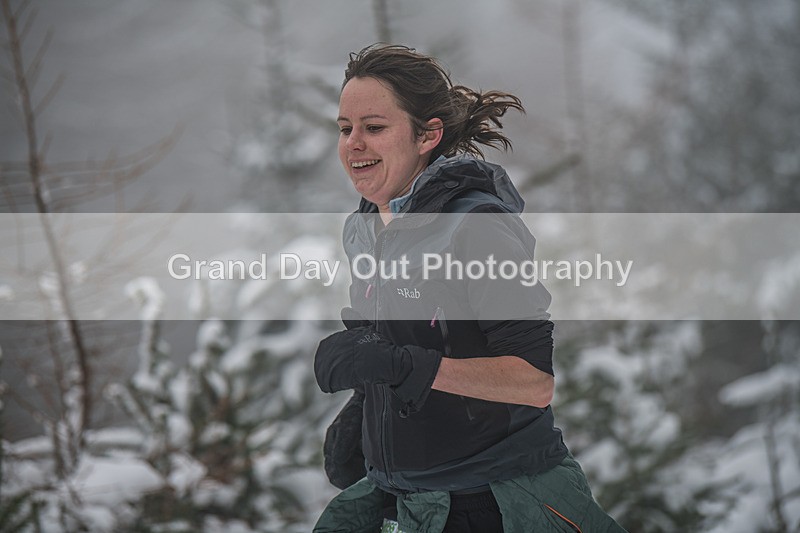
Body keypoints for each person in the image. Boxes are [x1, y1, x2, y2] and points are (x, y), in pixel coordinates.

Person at [313, 43, 625, 533]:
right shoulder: (367, 229)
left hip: (494, 503)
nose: (353, 143)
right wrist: (367, 409)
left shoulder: (476, 227)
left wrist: (400, 367)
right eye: (345, 128)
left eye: (374, 128)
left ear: (427, 135)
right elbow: (415, 349)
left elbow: (532, 382)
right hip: (413, 503)